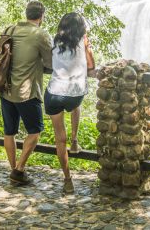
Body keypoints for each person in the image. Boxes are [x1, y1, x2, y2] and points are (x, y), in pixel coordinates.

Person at [1, 0, 53, 185]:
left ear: (26, 14)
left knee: (9, 132)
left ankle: (14, 171)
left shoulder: (10, 29)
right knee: (35, 131)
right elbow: (50, 63)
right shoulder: (40, 34)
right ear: (41, 16)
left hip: (5, 89)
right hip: (26, 92)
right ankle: (19, 170)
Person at [44, 12, 96, 194]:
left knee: (59, 138)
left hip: (54, 93)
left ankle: (67, 180)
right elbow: (91, 67)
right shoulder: (83, 42)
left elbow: (51, 63)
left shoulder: (55, 41)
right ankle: (75, 141)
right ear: (80, 28)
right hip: (75, 94)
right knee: (75, 106)